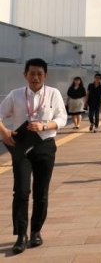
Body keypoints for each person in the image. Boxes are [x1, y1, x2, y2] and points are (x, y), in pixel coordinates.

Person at [0, 58, 67, 254]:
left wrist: (44, 126)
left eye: (39, 74)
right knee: (21, 191)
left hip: (45, 146)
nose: (35, 77)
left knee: (41, 192)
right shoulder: (15, 95)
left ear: (45, 75)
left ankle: (36, 231)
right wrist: (4, 131)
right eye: (32, 73)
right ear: (25, 75)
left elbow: (62, 118)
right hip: (22, 148)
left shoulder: (53, 93)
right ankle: (21, 235)